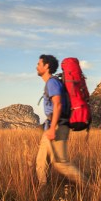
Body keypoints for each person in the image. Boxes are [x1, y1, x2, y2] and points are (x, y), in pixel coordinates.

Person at [34, 54, 83, 186]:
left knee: (61, 164)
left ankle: (91, 187)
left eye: (39, 64)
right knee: (41, 162)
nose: (36, 67)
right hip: (51, 127)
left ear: (46, 66)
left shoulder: (52, 82)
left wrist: (52, 128)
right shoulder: (52, 82)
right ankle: (43, 193)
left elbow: (58, 104)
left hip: (56, 127)